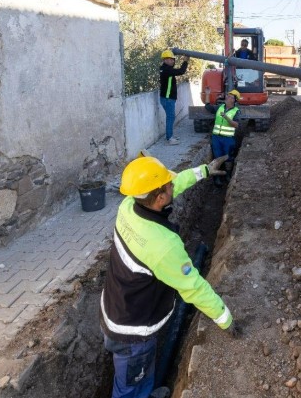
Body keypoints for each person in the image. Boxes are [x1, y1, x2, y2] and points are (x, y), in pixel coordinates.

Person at [100, 154, 239, 398]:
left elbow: (175, 183)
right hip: (133, 333)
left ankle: (147, 389)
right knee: (128, 390)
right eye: (169, 185)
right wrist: (224, 318)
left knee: (137, 375)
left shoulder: (128, 207)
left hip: (115, 308)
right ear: (161, 198)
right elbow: (193, 287)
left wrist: (204, 171)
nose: (173, 184)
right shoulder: (163, 245)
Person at [211, 89, 241, 186]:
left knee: (228, 158)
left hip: (228, 139)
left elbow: (236, 125)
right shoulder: (220, 107)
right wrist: (207, 95)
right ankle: (217, 177)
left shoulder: (236, 111)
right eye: (228, 96)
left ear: (234, 101)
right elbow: (208, 107)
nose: (227, 97)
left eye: (230, 97)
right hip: (216, 138)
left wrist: (226, 117)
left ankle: (228, 175)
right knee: (217, 157)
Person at [158, 49, 188, 145]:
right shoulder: (167, 70)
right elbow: (181, 71)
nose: (173, 61)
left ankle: (169, 136)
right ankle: (169, 138)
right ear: (165, 60)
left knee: (170, 117)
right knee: (170, 117)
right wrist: (186, 61)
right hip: (168, 99)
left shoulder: (164, 68)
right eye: (171, 59)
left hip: (166, 98)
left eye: (173, 59)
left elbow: (175, 69)